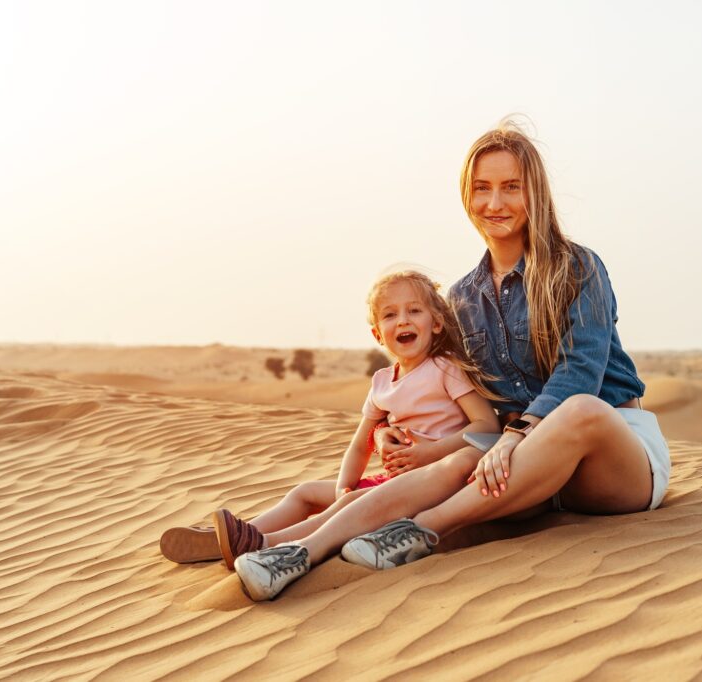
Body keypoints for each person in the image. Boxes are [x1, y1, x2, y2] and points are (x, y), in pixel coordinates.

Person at [233, 119, 671, 601]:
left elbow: (580, 374)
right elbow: (437, 380)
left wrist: (517, 435)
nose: (494, 203)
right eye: (482, 188)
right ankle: (295, 550)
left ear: (535, 194)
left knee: (581, 410)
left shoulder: (577, 267)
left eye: (510, 187)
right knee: (452, 464)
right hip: (521, 467)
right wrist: (389, 429)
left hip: (611, 460)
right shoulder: (462, 297)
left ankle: (420, 531)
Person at [160, 270, 500, 571]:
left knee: (352, 504)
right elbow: (360, 445)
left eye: (414, 311)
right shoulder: (382, 382)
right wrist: (342, 488)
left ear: (436, 322)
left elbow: (485, 425)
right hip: (389, 482)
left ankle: (267, 543)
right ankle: (248, 534)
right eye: (390, 315)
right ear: (377, 334)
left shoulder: (445, 368)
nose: (403, 321)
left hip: (434, 484)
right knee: (306, 492)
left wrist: (432, 452)